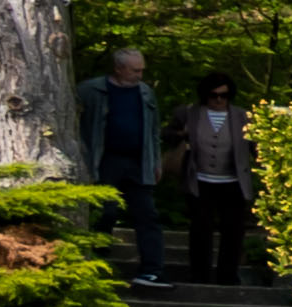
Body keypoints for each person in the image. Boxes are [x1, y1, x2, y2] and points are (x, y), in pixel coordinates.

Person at [77, 43, 160, 284]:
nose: (139, 75)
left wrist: (155, 161)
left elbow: (153, 129)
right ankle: (98, 263)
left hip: (138, 161)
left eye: (141, 70)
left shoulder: (145, 93)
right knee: (105, 212)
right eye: (135, 70)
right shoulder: (91, 91)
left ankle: (152, 270)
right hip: (105, 160)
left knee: (147, 215)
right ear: (119, 69)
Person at [176, 75, 257, 284]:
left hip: (232, 181)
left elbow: (257, 147)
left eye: (224, 96)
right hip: (200, 180)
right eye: (214, 96)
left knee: (233, 231)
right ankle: (199, 273)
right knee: (200, 229)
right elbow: (167, 133)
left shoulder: (243, 116)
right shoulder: (190, 113)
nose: (219, 100)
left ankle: (228, 274)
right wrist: (180, 135)